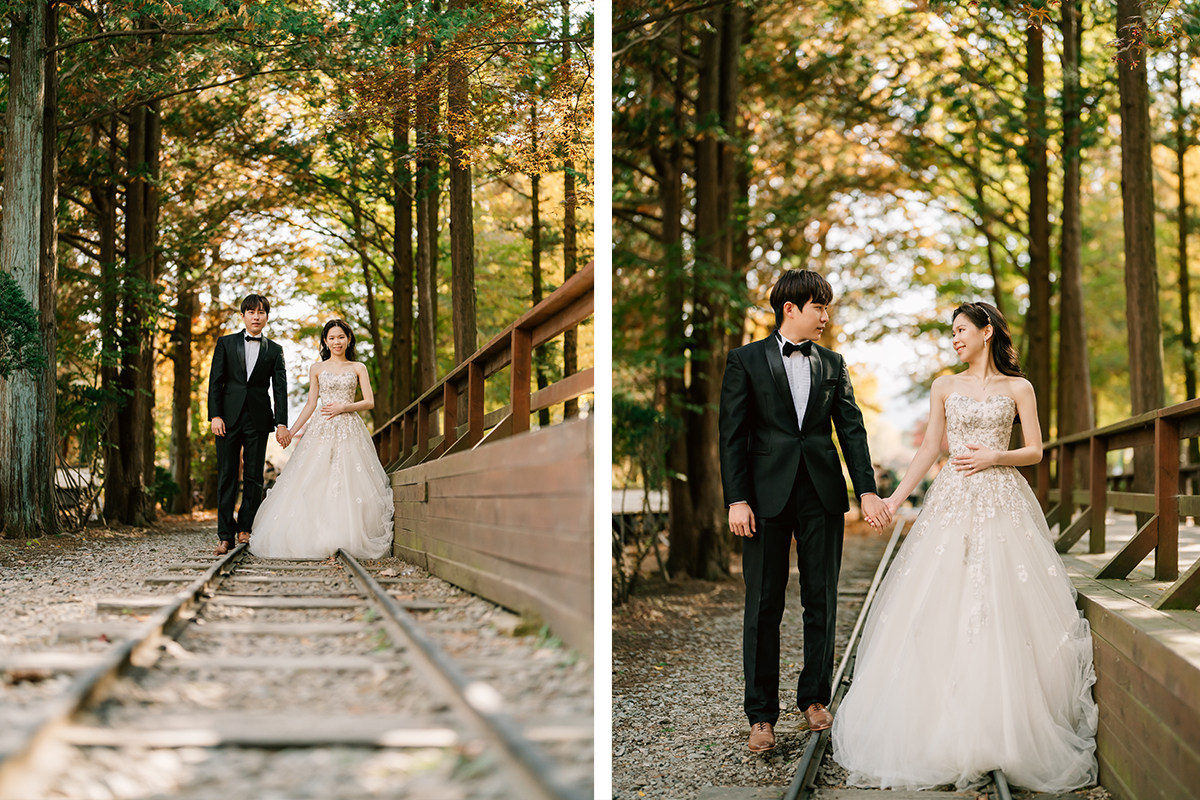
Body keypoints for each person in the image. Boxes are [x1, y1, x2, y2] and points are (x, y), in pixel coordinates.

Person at [831, 302, 1098, 792]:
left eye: (960, 330)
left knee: (999, 603)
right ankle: (940, 717)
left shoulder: (1020, 388)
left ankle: (1005, 719)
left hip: (1003, 500)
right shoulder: (944, 386)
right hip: (952, 502)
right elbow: (931, 447)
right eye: (952, 332)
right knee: (945, 600)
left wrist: (997, 455)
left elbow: (1036, 450)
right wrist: (892, 499)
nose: (954, 339)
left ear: (986, 331)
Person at [718, 269, 892, 754]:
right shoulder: (745, 360)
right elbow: (731, 435)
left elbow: (851, 430)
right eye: (819, 307)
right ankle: (761, 716)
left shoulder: (834, 363)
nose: (825, 317)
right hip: (763, 497)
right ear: (790, 308)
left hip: (821, 494)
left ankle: (814, 698)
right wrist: (737, 498)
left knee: (822, 599)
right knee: (763, 605)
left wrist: (867, 491)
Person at [249, 319, 394, 560]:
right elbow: (310, 404)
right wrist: (290, 430)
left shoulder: (359, 367)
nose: (337, 342)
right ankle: (316, 535)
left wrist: (344, 407)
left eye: (341, 337)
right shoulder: (316, 368)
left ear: (349, 339)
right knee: (316, 480)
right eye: (332, 338)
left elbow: (369, 402)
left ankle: (346, 535)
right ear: (325, 341)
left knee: (347, 480)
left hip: (349, 427)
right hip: (321, 428)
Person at [208, 294, 291, 556]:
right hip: (227, 419)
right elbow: (215, 382)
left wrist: (281, 423)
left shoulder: (275, 350)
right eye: (251, 312)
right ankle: (224, 535)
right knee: (226, 475)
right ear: (242, 315)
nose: (256, 316)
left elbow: (280, 389)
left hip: (258, 419)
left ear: (267, 317)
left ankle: (245, 529)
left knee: (254, 477)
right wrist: (215, 415)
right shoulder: (225, 343)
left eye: (261, 312)